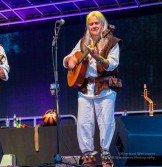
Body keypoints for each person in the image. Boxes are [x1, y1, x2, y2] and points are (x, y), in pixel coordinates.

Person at [63, 11, 121, 167]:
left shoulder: (112, 41)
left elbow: (113, 64)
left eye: (97, 23)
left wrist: (97, 56)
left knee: (106, 123)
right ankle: (88, 156)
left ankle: (106, 155)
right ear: (87, 26)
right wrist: (70, 61)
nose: (94, 26)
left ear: (103, 25)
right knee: (83, 123)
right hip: (85, 88)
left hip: (105, 87)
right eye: (91, 23)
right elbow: (69, 58)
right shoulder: (83, 42)